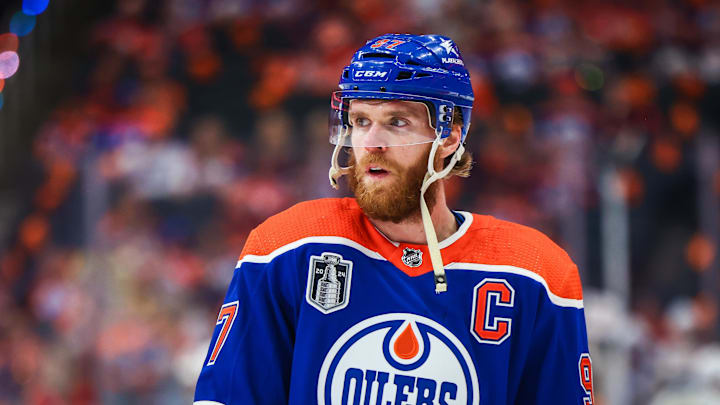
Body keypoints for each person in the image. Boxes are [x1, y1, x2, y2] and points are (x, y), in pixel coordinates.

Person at [194, 33, 595, 405]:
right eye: (361, 121)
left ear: (449, 136)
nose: (371, 143)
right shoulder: (289, 246)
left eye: (397, 122)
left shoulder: (537, 274)